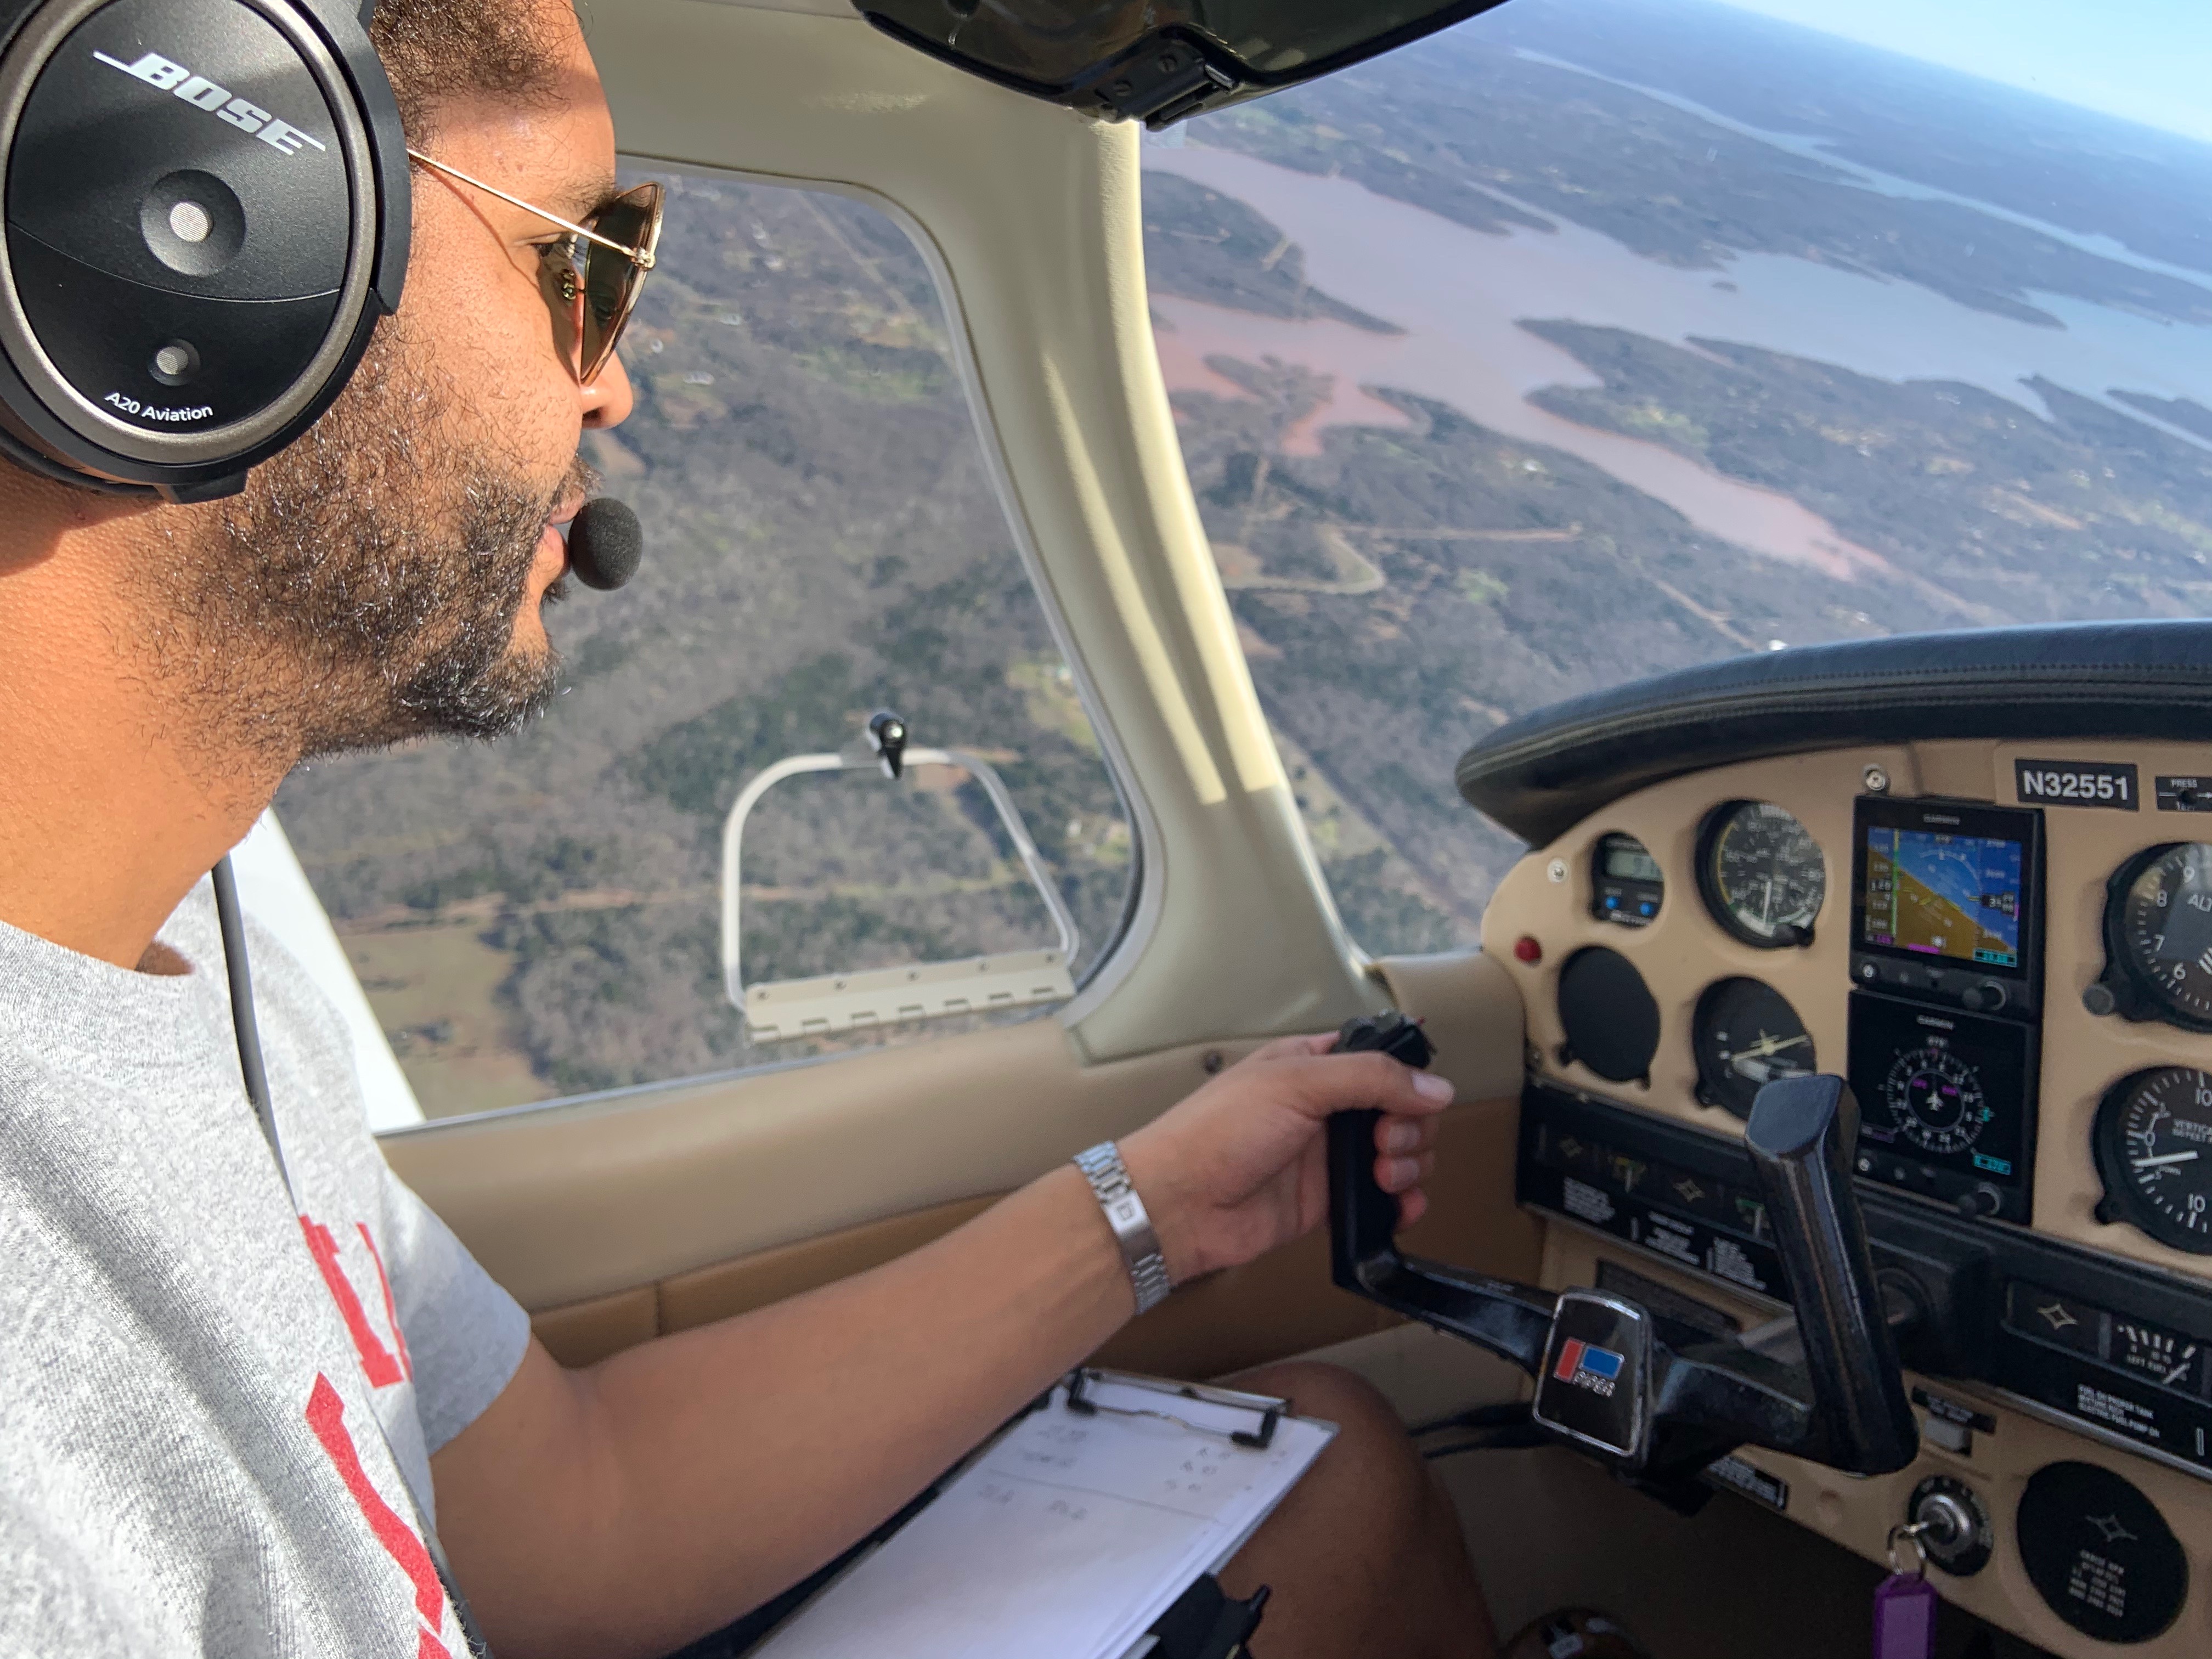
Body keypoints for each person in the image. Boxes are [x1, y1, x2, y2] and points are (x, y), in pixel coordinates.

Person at [0, 1, 1503, 1654]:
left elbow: (578, 1518)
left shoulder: (198, 932)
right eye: (587, 257)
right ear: (195, 223)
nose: (616, 384)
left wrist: (1153, 1208)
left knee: (1334, 1473)